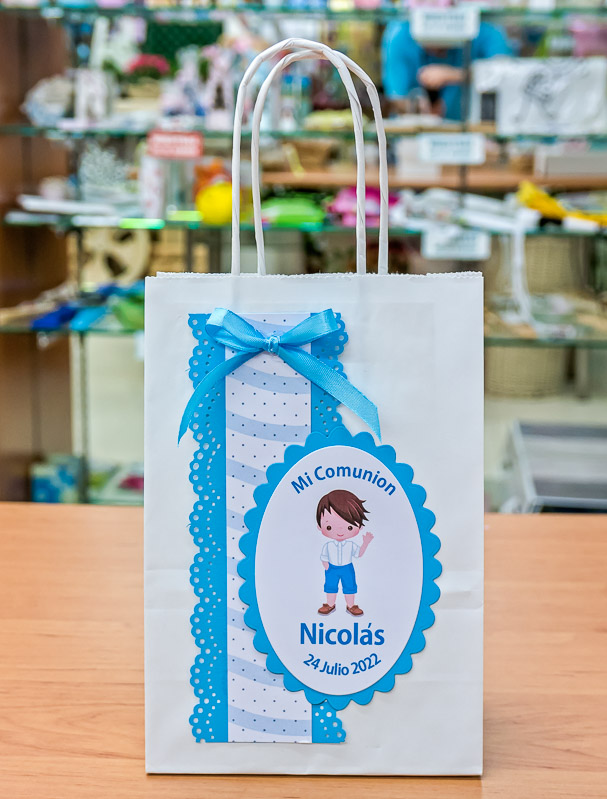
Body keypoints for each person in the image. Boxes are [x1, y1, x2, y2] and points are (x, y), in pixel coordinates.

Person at [381, 20, 512, 120]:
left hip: (480, 134)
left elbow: (509, 76)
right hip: (419, 138)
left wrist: (458, 75)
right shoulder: (400, 35)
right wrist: (417, 107)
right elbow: (395, 100)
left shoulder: (486, 30)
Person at [317, 490, 374, 617]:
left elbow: (358, 554)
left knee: (350, 587)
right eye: (329, 527)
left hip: (347, 568)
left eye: (349, 527)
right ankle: (330, 605)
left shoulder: (350, 545)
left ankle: (351, 606)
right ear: (319, 527)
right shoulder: (328, 545)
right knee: (330, 587)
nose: (340, 531)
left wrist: (365, 543)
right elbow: (324, 557)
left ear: (359, 527)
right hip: (332, 568)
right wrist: (326, 565)